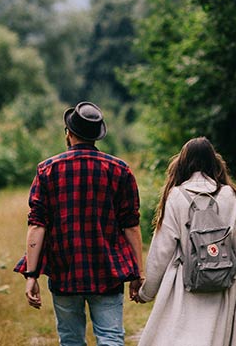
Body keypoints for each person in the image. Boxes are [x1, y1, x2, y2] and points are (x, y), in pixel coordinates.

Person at [15, 101, 145, 346]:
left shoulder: (48, 170)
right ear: (97, 136)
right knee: (111, 338)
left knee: (71, 340)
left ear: (68, 132)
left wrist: (31, 275)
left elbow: (37, 225)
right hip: (108, 271)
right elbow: (131, 226)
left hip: (65, 271)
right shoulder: (119, 170)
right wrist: (138, 273)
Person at [135, 137, 236, 346]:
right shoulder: (230, 195)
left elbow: (161, 253)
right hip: (224, 285)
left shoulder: (175, 196)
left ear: (183, 162)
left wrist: (146, 292)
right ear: (214, 161)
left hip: (185, 284)